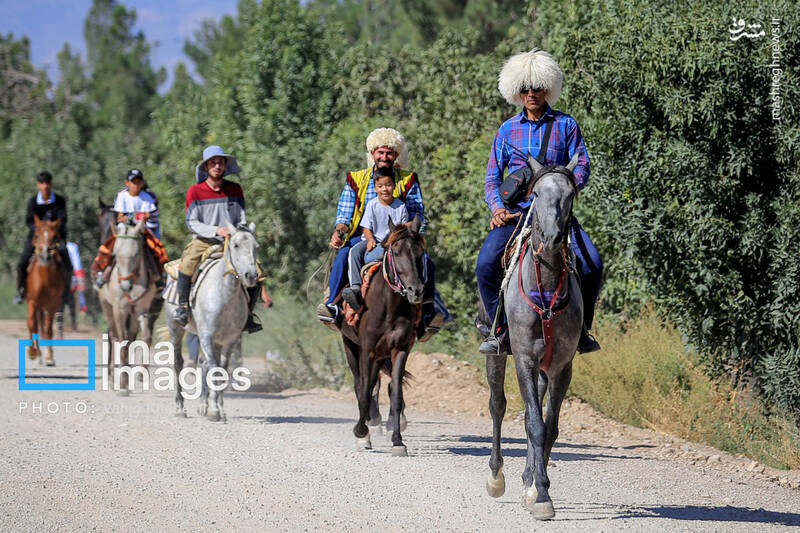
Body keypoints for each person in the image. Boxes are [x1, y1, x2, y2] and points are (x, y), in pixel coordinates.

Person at [476, 48, 603, 355]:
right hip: (516, 218)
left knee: (593, 265)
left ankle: (582, 330)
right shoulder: (506, 131)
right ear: (516, 91)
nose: (531, 93)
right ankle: (499, 330)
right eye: (524, 88)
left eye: (536, 87)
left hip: (557, 216)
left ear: (548, 88)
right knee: (485, 266)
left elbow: (582, 163)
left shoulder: (566, 125)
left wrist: (568, 186)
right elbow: (493, 177)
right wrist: (497, 209)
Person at [317, 128, 446, 341]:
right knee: (342, 256)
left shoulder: (408, 180)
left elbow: (417, 214)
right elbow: (345, 212)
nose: (384, 157)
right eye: (380, 153)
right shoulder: (356, 179)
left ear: (396, 155)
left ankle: (428, 312)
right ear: (372, 153)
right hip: (364, 236)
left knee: (425, 261)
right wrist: (340, 231)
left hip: (399, 238)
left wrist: (408, 229)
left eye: (389, 153)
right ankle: (333, 305)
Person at [173, 145, 262, 333]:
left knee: (257, 270)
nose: (217, 166)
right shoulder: (194, 191)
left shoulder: (235, 189)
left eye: (220, 162)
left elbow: (242, 217)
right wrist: (216, 230)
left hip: (233, 241)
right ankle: (183, 308)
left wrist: (239, 232)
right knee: (187, 264)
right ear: (206, 167)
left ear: (225, 166)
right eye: (213, 163)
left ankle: (248, 315)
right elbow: (192, 222)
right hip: (204, 240)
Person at [341, 171, 410, 310]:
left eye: (388, 185)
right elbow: (366, 227)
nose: (385, 189)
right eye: (380, 186)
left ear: (394, 186)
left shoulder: (400, 207)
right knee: (354, 252)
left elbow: (403, 227)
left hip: (391, 243)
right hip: (374, 240)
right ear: (375, 188)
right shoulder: (372, 205)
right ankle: (355, 287)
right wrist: (370, 239)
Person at [92, 169, 168, 289]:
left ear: (142, 183)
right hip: (124, 231)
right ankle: (104, 273)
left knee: (153, 249)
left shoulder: (147, 197)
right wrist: (138, 216)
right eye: (133, 182)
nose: (136, 185)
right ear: (127, 182)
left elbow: (150, 216)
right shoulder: (122, 196)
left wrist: (134, 217)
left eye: (138, 182)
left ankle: (157, 276)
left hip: (141, 231)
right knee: (113, 248)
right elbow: (121, 217)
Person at [14, 171, 71, 304]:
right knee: (21, 264)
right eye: (42, 183)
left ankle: (65, 294)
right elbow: (29, 221)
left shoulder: (60, 201)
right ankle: (21, 291)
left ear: (51, 184)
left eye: (47, 183)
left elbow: (63, 220)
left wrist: (52, 230)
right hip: (37, 238)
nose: (45, 186)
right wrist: (40, 230)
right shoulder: (33, 202)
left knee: (68, 265)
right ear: (38, 185)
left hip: (56, 238)